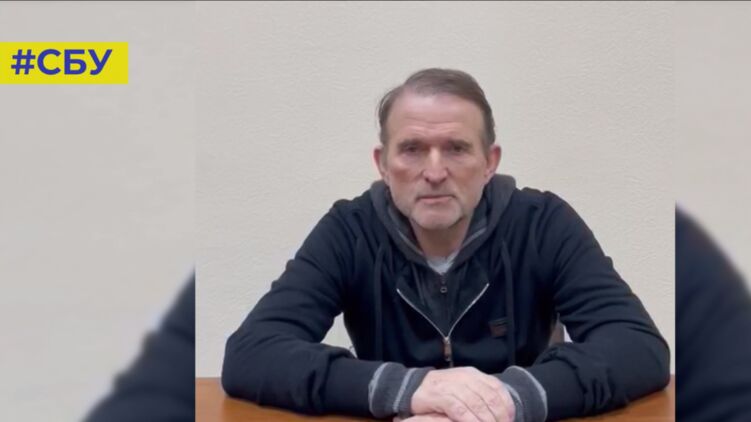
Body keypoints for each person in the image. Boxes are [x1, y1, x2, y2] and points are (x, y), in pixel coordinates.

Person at [221, 68, 670, 422]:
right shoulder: (349, 231)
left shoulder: (543, 224)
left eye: (456, 148)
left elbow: (638, 348)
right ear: (383, 164)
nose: (434, 172)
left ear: (489, 162)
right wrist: (413, 389)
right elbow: (251, 353)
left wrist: (504, 402)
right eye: (412, 149)